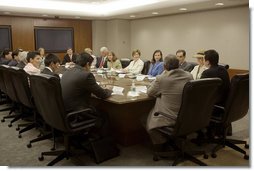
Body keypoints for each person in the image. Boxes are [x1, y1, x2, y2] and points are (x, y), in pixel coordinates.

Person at [146, 54, 193, 151]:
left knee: (145, 118)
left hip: (170, 116)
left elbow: (150, 93)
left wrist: (163, 74)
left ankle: (162, 143)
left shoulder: (162, 78)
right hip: (187, 116)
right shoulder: (189, 76)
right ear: (179, 64)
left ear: (164, 67)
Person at [61, 52, 113, 138]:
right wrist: (109, 90)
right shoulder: (86, 75)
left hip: (64, 110)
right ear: (87, 64)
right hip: (77, 111)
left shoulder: (67, 72)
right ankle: (102, 145)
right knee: (104, 114)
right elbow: (102, 95)